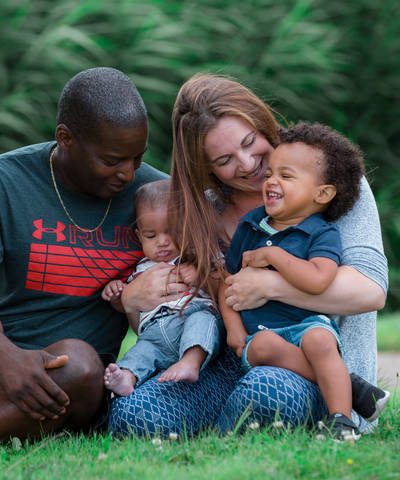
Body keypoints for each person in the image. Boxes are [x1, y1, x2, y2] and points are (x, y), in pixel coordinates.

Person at [108, 74, 388, 437]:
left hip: (321, 361)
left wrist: (269, 284)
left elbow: (370, 290)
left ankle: (339, 408)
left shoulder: (326, 182)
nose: (246, 163)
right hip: (234, 358)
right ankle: (220, 422)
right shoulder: (204, 212)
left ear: (262, 123)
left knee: (267, 392)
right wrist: (133, 297)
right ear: (206, 168)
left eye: (249, 142)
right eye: (224, 159)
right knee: (135, 415)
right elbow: (189, 308)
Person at [0, 67, 169, 450]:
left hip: (69, 379)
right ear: (65, 138)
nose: (127, 173)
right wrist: (6, 358)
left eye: (137, 158)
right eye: (111, 160)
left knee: (79, 364)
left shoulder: (156, 199)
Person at [219, 122, 389, 440]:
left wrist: (274, 258)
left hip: (307, 325)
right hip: (260, 334)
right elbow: (227, 283)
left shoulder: (321, 232)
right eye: (270, 173)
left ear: (322, 193)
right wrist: (233, 327)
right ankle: (351, 387)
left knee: (320, 341)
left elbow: (319, 279)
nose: (271, 181)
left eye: (286, 176)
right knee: (268, 345)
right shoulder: (252, 225)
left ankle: (342, 421)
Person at [102, 179, 222, 396]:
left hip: (190, 320)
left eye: (171, 232)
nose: (163, 242)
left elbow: (222, 282)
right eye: (151, 235)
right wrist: (118, 294)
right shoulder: (139, 270)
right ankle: (127, 377)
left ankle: (190, 362)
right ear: (139, 235)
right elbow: (134, 317)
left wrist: (199, 275)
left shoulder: (196, 257)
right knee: (142, 351)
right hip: (154, 334)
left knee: (204, 320)